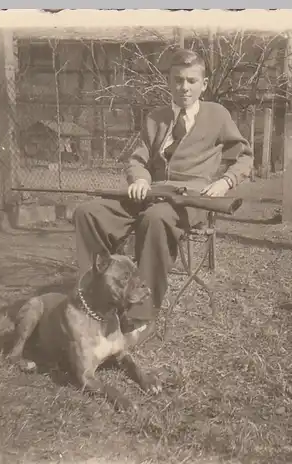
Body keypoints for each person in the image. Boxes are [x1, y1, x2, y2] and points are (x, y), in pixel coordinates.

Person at [73, 48, 254, 340]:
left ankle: (141, 315)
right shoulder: (155, 117)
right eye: (178, 80)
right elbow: (138, 159)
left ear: (204, 84)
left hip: (191, 197)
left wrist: (225, 182)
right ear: (168, 81)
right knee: (87, 213)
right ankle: (94, 298)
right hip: (150, 192)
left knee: (155, 219)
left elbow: (244, 156)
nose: (185, 87)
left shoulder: (217, 115)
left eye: (192, 81)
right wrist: (140, 178)